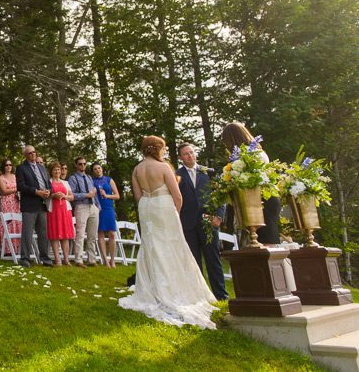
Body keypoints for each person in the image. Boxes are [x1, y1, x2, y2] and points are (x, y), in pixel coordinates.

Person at [118, 136, 217, 329]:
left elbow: (138, 197)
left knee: (151, 247)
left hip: (146, 207)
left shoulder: (137, 169)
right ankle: (173, 290)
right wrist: (175, 214)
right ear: (157, 149)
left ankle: (152, 288)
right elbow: (177, 195)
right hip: (164, 206)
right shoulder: (163, 168)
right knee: (171, 245)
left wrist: (148, 208)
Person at [177, 143, 228, 301]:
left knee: (213, 259)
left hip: (208, 221)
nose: (190, 156)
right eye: (186, 154)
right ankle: (199, 295)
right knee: (194, 261)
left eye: (191, 152)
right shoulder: (176, 175)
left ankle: (221, 295)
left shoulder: (209, 173)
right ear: (180, 157)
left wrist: (218, 216)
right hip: (187, 223)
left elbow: (221, 196)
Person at [222, 122, 279, 245]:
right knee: (267, 237)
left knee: (266, 240)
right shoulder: (258, 151)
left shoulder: (247, 154)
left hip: (258, 200)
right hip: (268, 197)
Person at [15, 145, 53, 267]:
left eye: (34, 152)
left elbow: (48, 183)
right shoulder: (21, 168)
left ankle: (45, 258)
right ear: (25, 155)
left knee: (43, 232)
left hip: (42, 204)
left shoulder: (42, 168)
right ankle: (25, 258)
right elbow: (21, 186)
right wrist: (36, 191)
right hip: (29, 204)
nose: (33, 154)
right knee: (27, 232)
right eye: (30, 153)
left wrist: (48, 191)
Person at [69, 156, 99, 267]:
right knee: (80, 234)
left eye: (84, 164)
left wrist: (97, 205)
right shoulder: (73, 178)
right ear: (76, 165)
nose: (82, 166)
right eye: (80, 164)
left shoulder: (89, 178)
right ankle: (79, 260)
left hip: (93, 207)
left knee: (92, 235)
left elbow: (93, 193)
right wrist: (86, 195)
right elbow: (71, 194)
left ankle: (91, 259)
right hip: (81, 206)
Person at [47, 161, 74, 266]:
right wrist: (53, 195)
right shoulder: (48, 182)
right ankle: (57, 259)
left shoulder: (65, 183)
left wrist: (64, 196)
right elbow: (46, 195)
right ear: (51, 172)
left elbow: (71, 197)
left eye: (58, 169)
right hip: (53, 210)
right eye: (55, 170)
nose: (57, 171)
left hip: (65, 211)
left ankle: (66, 259)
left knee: (65, 235)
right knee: (55, 235)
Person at [93, 162, 120, 267]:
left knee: (112, 233)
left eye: (99, 168)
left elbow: (117, 196)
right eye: (95, 169)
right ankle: (105, 259)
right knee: (100, 233)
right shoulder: (92, 181)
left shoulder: (109, 180)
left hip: (108, 208)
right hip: (98, 208)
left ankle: (112, 260)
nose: (97, 170)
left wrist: (107, 195)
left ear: (102, 169)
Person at [0, 158, 20, 256]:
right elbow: (4, 191)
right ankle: (7, 250)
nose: (8, 167)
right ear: (4, 166)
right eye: (6, 165)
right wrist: (15, 189)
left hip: (15, 202)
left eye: (10, 165)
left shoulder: (16, 176)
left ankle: (17, 248)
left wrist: (13, 190)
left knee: (17, 223)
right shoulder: (1, 177)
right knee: (7, 224)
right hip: (6, 202)